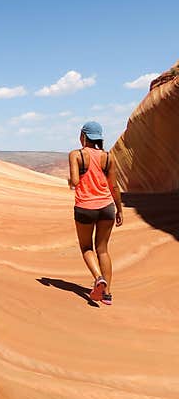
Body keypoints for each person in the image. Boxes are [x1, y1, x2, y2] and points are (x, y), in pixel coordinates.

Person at [67, 121, 123, 304]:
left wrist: (71, 180)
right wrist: (119, 210)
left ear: (83, 136)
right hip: (107, 207)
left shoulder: (76, 155)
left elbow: (75, 181)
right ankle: (107, 294)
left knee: (86, 248)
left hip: (85, 208)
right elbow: (114, 186)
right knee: (103, 250)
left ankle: (99, 278)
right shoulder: (108, 157)